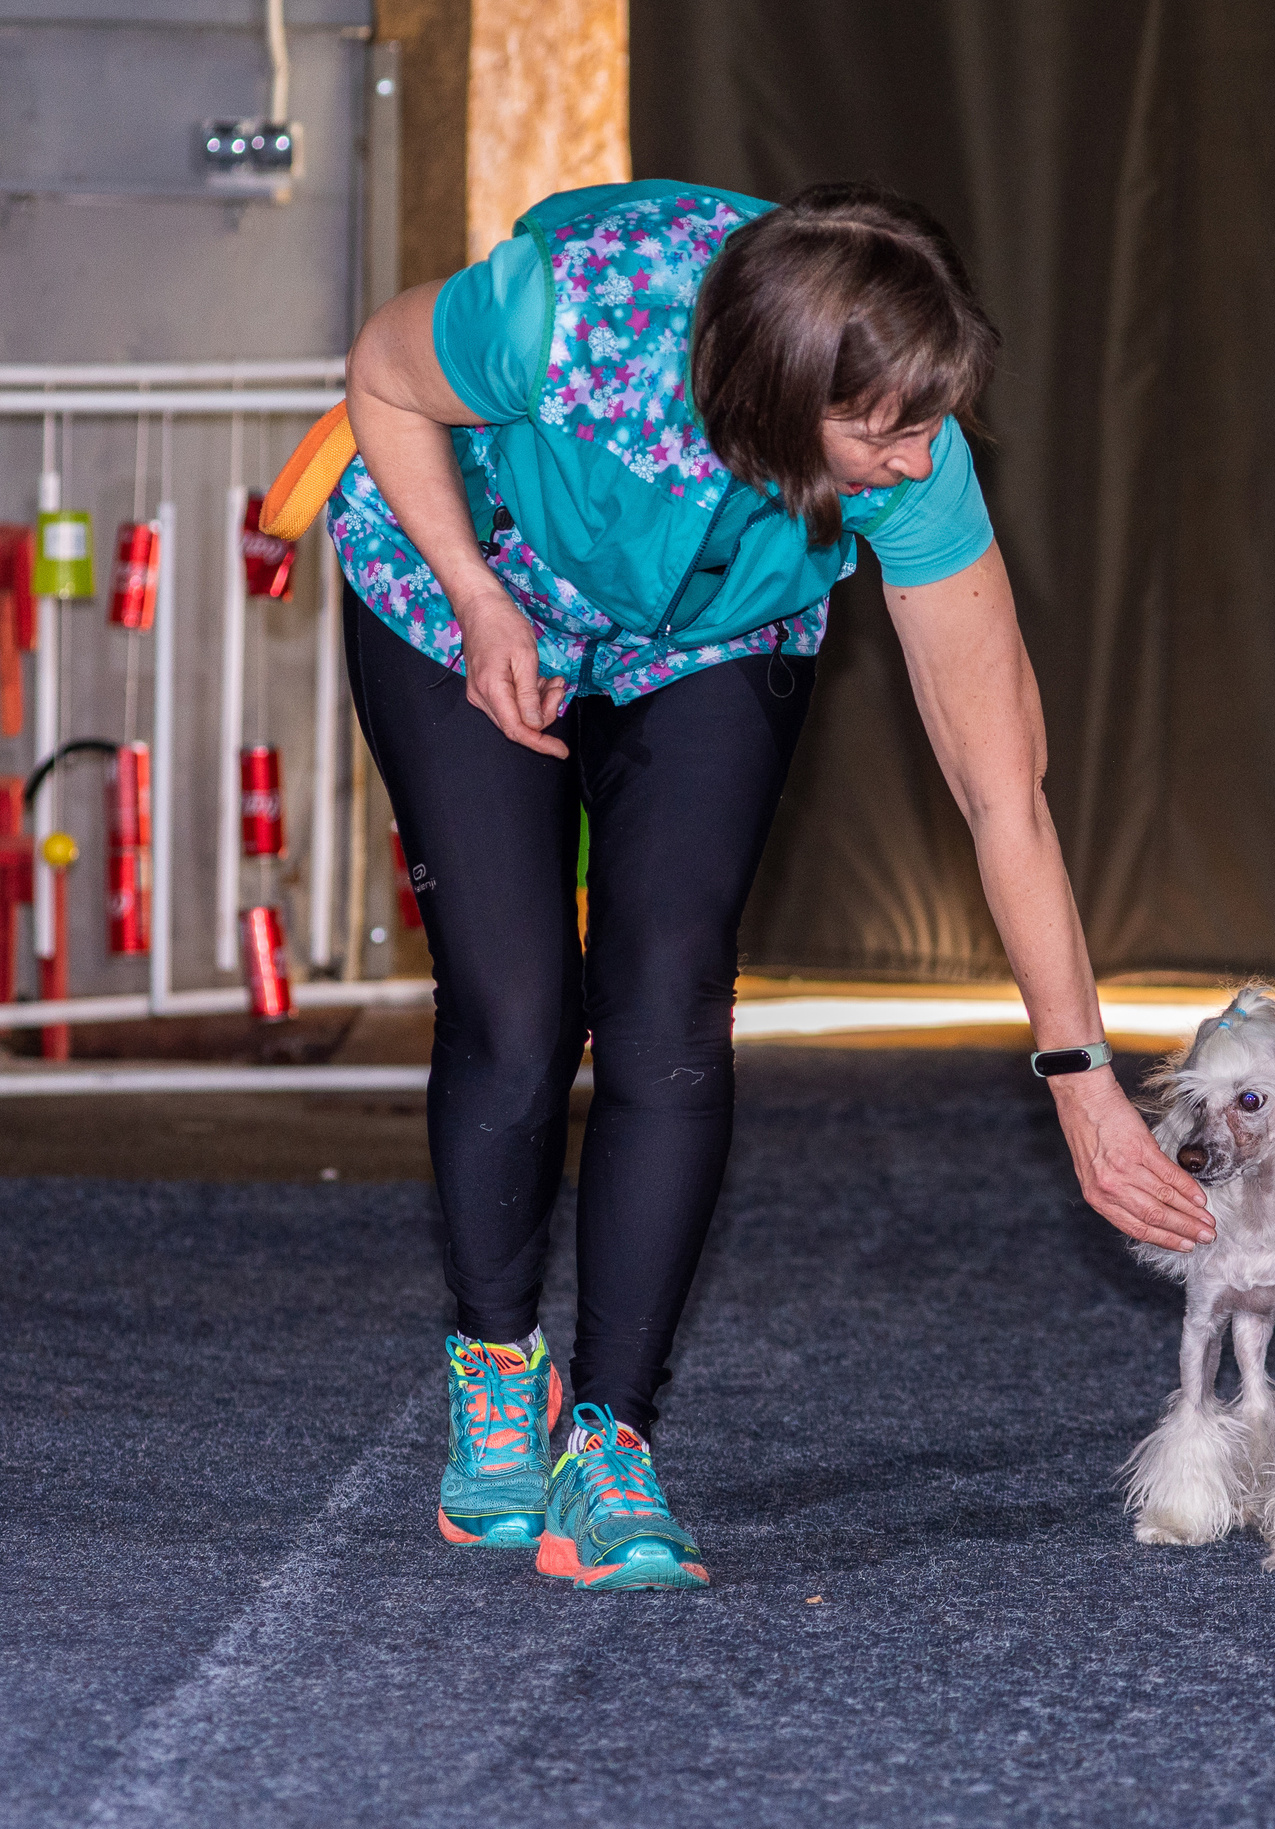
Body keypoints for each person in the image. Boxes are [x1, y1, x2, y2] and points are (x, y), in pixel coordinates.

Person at [334, 177, 1210, 1592]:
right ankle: (499, 1357)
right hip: (468, 581)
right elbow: (380, 376)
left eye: (933, 420)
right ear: (778, 394)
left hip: (707, 640)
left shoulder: (918, 471)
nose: (921, 458)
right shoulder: (566, 317)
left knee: (669, 998)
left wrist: (1083, 1077)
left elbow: (1005, 795)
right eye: (888, 430)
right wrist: (477, 596)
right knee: (514, 1005)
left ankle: (612, 1438)